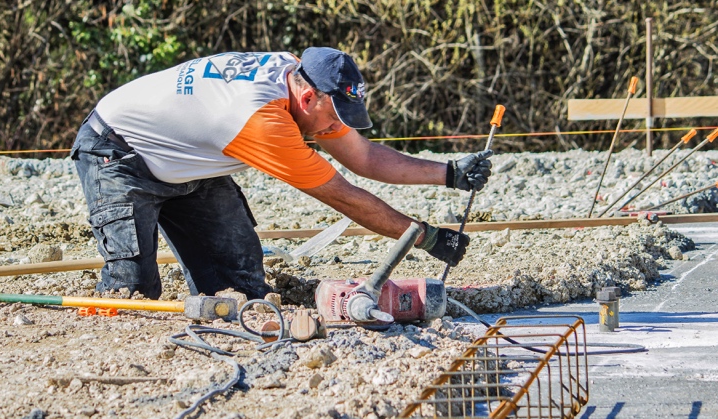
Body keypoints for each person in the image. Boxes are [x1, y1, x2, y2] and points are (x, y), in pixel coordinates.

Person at [70, 48, 493, 300]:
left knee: (241, 286)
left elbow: (362, 158)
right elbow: (345, 196)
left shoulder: (298, 76)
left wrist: (450, 173)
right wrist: (426, 237)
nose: (335, 130)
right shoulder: (262, 121)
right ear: (308, 97)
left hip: (188, 161)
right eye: (333, 119)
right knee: (134, 294)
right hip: (118, 153)